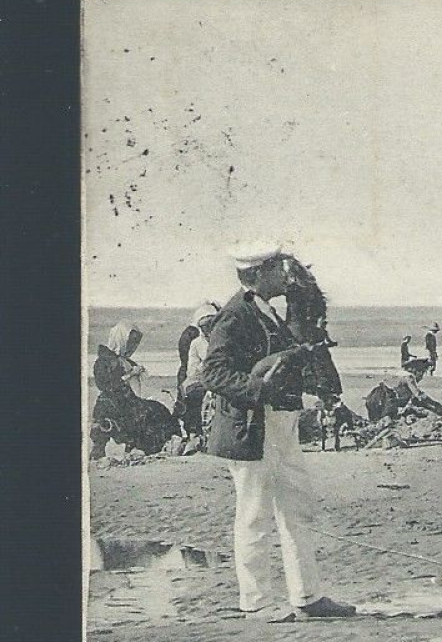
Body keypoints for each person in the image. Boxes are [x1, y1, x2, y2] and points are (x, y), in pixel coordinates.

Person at [200, 243, 355, 621]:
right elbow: (213, 373)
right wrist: (259, 390)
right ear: (255, 275)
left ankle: (308, 596)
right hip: (252, 427)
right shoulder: (236, 314)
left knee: (296, 509)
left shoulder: (266, 310)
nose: (284, 276)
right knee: (253, 515)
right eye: (275, 270)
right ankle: (256, 604)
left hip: (280, 423)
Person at [90, 321, 175, 458]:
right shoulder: (104, 361)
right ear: (121, 339)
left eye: (134, 343)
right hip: (113, 401)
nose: (132, 346)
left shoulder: (125, 360)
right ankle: (104, 448)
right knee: (143, 414)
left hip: (129, 400)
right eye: (129, 342)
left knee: (158, 409)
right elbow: (104, 385)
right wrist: (129, 375)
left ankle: (141, 447)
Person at [175, 301, 222, 443]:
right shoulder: (196, 343)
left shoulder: (225, 338)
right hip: (204, 378)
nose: (208, 329)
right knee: (191, 394)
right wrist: (207, 365)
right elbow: (192, 370)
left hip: (223, 377)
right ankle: (195, 432)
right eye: (204, 326)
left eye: (211, 324)